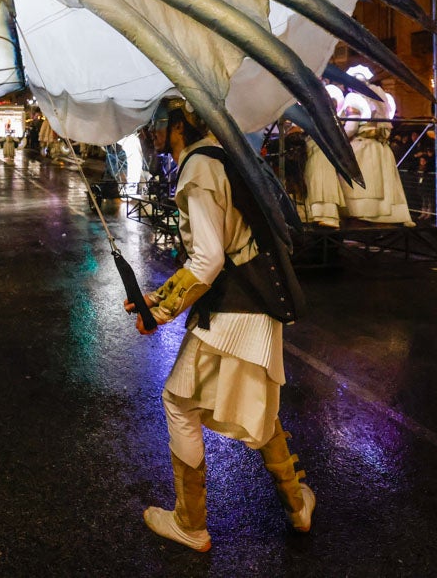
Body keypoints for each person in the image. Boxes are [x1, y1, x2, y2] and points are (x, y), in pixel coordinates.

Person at [129, 99, 312, 553]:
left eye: (155, 123)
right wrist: (158, 297)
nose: (149, 133)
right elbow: (228, 250)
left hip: (233, 314)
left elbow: (208, 259)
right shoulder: (224, 157)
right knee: (261, 406)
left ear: (177, 125)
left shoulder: (199, 170)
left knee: (177, 402)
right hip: (253, 308)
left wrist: (161, 311)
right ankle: (296, 504)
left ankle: (191, 523)